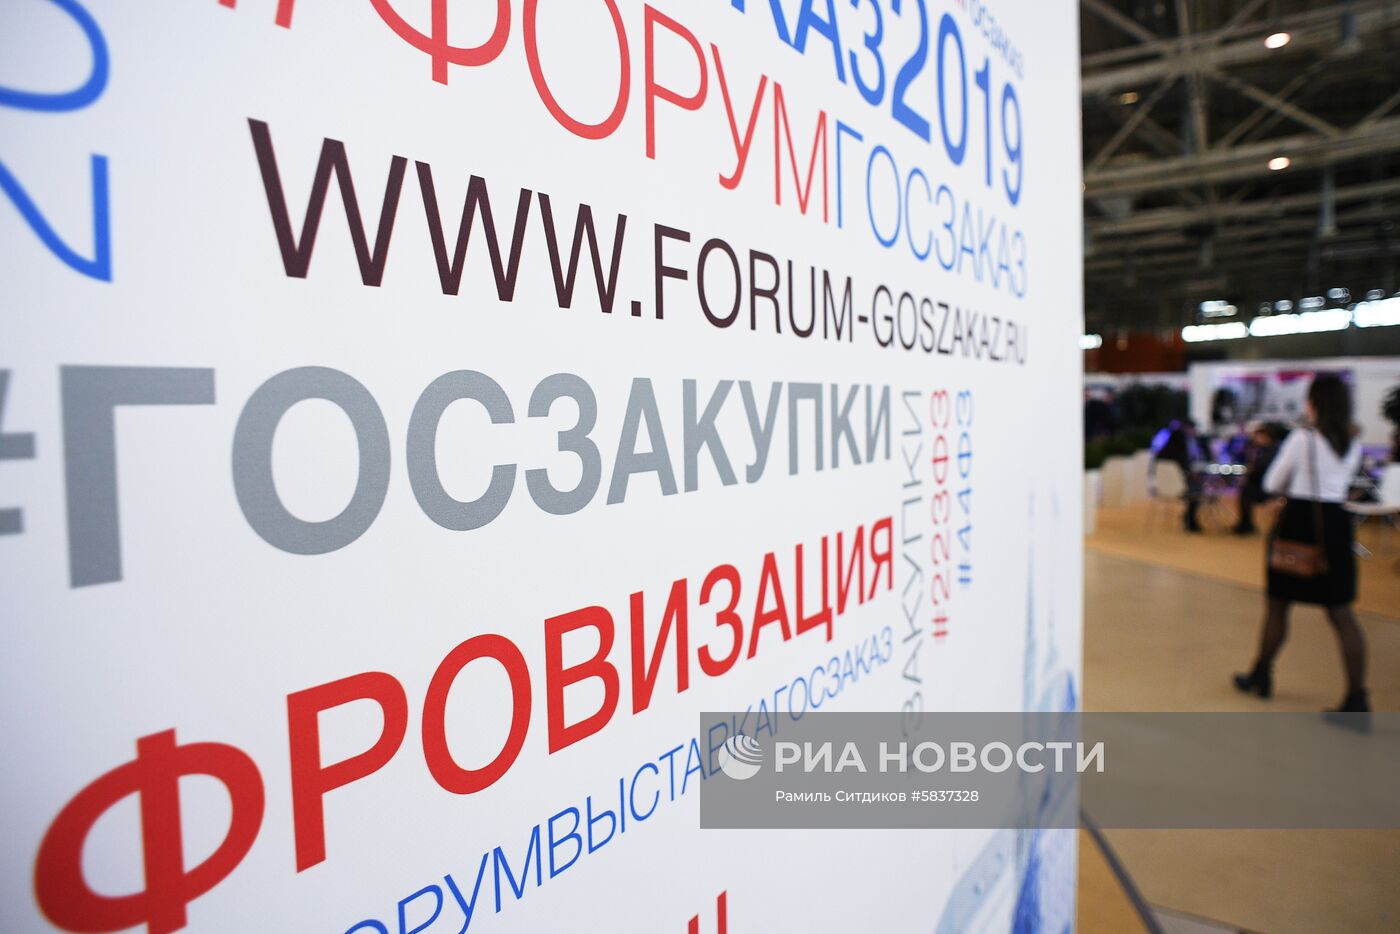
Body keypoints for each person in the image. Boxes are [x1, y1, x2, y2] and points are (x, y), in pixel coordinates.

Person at [1233, 375, 1369, 721]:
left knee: (1278, 604)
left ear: (1315, 402)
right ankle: (1356, 698)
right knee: (1341, 612)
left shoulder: (1302, 439)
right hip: (1335, 526)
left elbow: (1273, 481)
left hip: (1298, 523)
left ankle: (1261, 674)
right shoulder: (1352, 442)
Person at [1151, 418, 1204, 532]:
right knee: (1198, 489)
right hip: (1181, 488)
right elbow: (1186, 468)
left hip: (1164, 487)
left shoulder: (1163, 454)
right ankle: (1190, 520)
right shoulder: (1181, 451)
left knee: (1195, 487)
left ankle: (1189, 518)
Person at [1232, 423, 1285, 535]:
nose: (1256, 439)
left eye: (1258, 436)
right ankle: (1246, 524)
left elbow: (1262, 469)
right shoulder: (1262, 450)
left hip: (1267, 487)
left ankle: (1246, 525)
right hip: (1263, 485)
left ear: (1266, 437)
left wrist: (1251, 473)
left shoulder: (1270, 451)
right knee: (1245, 492)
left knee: (1245, 493)